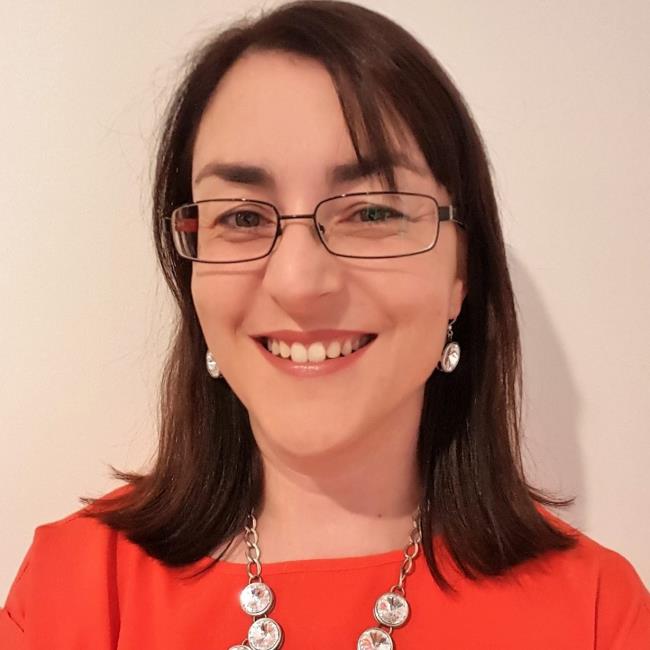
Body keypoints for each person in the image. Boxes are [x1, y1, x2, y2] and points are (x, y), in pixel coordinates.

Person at [1, 1, 648, 648]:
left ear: (461, 274)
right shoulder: (78, 591)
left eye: (371, 213)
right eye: (242, 217)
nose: (298, 282)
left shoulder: (596, 615)